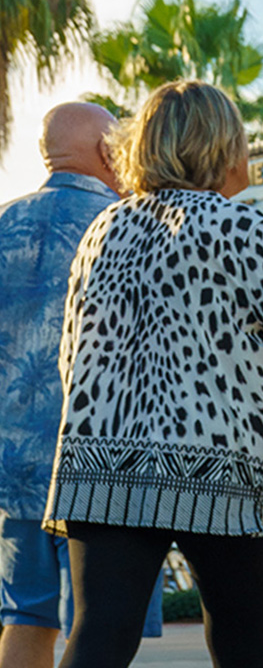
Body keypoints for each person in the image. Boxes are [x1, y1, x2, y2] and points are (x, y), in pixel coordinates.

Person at [40, 81, 263, 668]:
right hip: (221, 471)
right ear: (219, 144)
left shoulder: (102, 231)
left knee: (98, 637)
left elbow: (73, 358)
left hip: (105, 469)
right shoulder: (235, 227)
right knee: (240, 644)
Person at [0, 103, 161, 668]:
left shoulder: (2, 223)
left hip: (15, 467)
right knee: (100, 627)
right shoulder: (132, 226)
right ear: (107, 151)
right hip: (102, 465)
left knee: (24, 615)